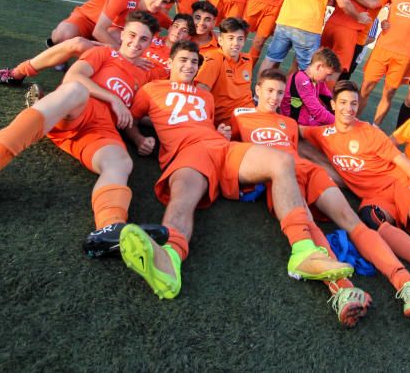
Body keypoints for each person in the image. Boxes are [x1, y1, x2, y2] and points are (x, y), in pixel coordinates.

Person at [120, 41, 353, 300]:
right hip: (188, 153)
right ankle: (169, 260)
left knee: (282, 161)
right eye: (183, 60)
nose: (189, 66)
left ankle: (303, 251)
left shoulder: (205, 96)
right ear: (171, 62)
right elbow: (130, 117)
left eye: (194, 62)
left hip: (222, 147)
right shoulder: (152, 89)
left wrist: (219, 132)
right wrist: (139, 139)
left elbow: (203, 123)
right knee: (182, 200)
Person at [0, 12, 158, 257]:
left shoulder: (147, 74)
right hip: (77, 109)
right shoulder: (105, 53)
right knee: (74, 89)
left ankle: (109, 228)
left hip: (101, 130)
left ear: (150, 43)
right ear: (122, 34)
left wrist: (140, 137)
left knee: (122, 162)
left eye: (143, 39)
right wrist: (114, 99)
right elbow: (73, 76)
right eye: (131, 35)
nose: (136, 43)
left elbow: (140, 113)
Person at [232, 70, 410, 324]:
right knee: (307, 224)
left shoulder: (288, 122)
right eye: (269, 91)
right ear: (258, 91)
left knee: (353, 222)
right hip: (283, 180)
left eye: (279, 92)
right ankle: (342, 288)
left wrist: (334, 170)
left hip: (309, 172)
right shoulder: (240, 117)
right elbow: (229, 146)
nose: (274, 97)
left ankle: (407, 284)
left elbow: (308, 145)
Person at [301, 81, 410, 319]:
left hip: (399, 183)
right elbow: (294, 130)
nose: (348, 108)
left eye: (354, 103)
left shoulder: (370, 132)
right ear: (333, 105)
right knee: (371, 220)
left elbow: (408, 165)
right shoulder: (322, 133)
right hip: (375, 197)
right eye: (343, 103)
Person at [0, 0, 176, 85]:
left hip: (116, 62)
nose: (158, 4)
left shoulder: (162, 22)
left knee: (108, 41)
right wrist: (127, 56)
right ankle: (16, 73)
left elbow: (179, 25)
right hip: (91, 25)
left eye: (165, 2)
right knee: (69, 38)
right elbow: (99, 30)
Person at [320, 0, 387, 76]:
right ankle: (324, 96)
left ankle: (303, 93)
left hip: (331, 24)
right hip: (350, 29)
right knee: (335, 69)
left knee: (319, 63)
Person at [194, 17, 255, 127]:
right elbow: (201, 92)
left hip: (251, 113)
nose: (236, 43)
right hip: (228, 121)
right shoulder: (215, 58)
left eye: (240, 39)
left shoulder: (247, 59)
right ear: (220, 40)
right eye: (230, 38)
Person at [280, 48, 338, 126]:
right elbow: (318, 113)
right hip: (293, 124)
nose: (327, 79)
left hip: (307, 121)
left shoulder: (318, 80)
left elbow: (329, 99)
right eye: (328, 74)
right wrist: (341, 122)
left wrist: (341, 112)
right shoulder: (301, 79)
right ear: (319, 66)